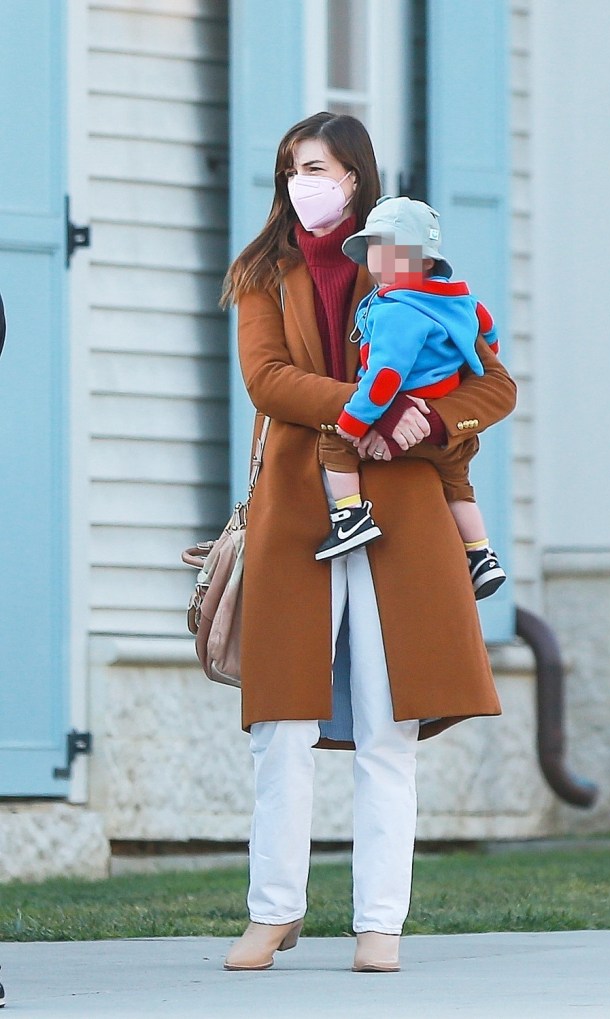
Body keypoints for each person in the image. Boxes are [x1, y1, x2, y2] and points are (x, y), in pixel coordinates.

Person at [220, 111, 516, 973]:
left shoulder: (409, 263)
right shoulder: (259, 273)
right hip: (294, 513)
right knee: (280, 724)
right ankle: (271, 913)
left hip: (407, 519)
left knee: (390, 726)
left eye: (314, 166)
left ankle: (379, 921)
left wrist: (430, 420)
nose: (298, 183)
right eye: (288, 169)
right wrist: (375, 405)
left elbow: (490, 383)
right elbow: (266, 380)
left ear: (356, 175)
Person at [313, 195, 507, 601]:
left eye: (392, 252)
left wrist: (358, 422)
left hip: (406, 419)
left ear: (425, 261)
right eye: (374, 251)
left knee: (335, 442)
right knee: (459, 487)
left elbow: (386, 374)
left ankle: (349, 515)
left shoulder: (396, 310)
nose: (380, 262)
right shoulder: (459, 299)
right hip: (450, 444)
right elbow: (488, 331)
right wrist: (479, 352)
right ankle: (482, 554)